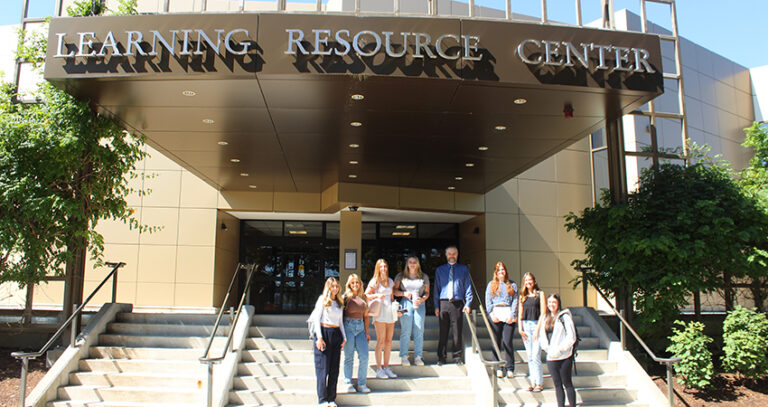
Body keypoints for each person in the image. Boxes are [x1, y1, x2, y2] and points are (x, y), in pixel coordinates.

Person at [309, 277, 346, 407]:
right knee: (322, 369)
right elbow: (316, 320)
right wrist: (319, 337)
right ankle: (322, 400)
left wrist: (344, 337)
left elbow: (340, 321)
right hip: (324, 333)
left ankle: (331, 398)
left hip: (336, 335)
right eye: (333, 286)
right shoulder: (322, 300)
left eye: (337, 286)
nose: (335, 288)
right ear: (328, 287)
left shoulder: (339, 302)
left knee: (334, 369)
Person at [433, 245, 473, 365]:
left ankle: (457, 357)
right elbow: (437, 289)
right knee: (443, 331)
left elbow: (468, 287)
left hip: (457, 303)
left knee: (457, 331)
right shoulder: (440, 270)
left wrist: (469, 303)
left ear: (457, 255)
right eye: (449, 254)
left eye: (454, 254)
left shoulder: (463, 269)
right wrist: (436, 306)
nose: (452, 256)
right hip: (443, 302)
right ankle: (441, 357)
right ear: (446, 255)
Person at [539, 293, 577, 407]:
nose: (551, 305)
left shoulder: (565, 317)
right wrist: (548, 349)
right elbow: (542, 337)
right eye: (549, 302)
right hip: (551, 357)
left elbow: (572, 337)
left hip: (564, 356)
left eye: (554, 302)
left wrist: (560, 350)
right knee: (557, 384)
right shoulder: (546, 318)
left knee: (567, 383)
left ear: (558, 303)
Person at [393, 256, 430, 366]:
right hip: (406, 303)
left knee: (419, 329)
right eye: (410, 262)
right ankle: (404, 356)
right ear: (407, 264)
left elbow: (427, 293)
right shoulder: (401, 276)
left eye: (414, 262)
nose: (412, 264)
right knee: (406, 330)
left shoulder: (424, 277)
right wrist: (404, 294)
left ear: (418, 264)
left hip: (420, 304)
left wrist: (422, 299)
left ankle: (418, 356)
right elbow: (394, 291)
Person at [484, 261, 518, 378]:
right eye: (498, 270)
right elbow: (488, 301)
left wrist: (513, 315)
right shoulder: (491, 285)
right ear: (496, 272)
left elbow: (515, 300)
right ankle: (498, 366)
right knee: (496, 342)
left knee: (507, 342)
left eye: (502, 269)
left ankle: (510, 368)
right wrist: (492, 314)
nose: (501, 272)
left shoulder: (512, 284)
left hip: (508, 312)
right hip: (496, 313)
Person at [366, 259, 398, 379]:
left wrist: (396, 309)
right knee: (381, 340)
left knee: (389, 341)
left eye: (385, 266)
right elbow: (366, 295)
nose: (383, 268)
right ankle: (379, 368)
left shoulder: (390, 281)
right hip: (379, 313)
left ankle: (386, 367)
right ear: (377, 268)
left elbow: (392, 298)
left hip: (390, 313)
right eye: (381, 266)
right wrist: (377, 295)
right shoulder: (375, 281)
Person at [341, 274, 371, 394]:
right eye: (352, 283)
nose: (355, 285)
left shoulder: (364, 297)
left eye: (357, 283)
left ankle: (361, 383)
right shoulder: (345, 297)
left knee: (364, 356)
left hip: (360, 329)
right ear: (349, 284)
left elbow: (366, 316)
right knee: (349, 357)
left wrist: (367, 332)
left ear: (360, 284)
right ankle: (348, 382)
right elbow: (340, 316)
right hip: (348, 327)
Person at [518, 272, 546, 392]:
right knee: (529, 356)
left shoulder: (540, 294)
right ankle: (533, 382)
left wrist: (537, 330)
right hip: (525, 326)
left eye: (530, 280)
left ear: (534, 281)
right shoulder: (522, 296)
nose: (528, 282)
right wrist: (520, 329)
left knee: (535, 355)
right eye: (526, 280)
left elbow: (543, 313)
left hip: (536, 326)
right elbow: (520, 314)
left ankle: (539, 383)